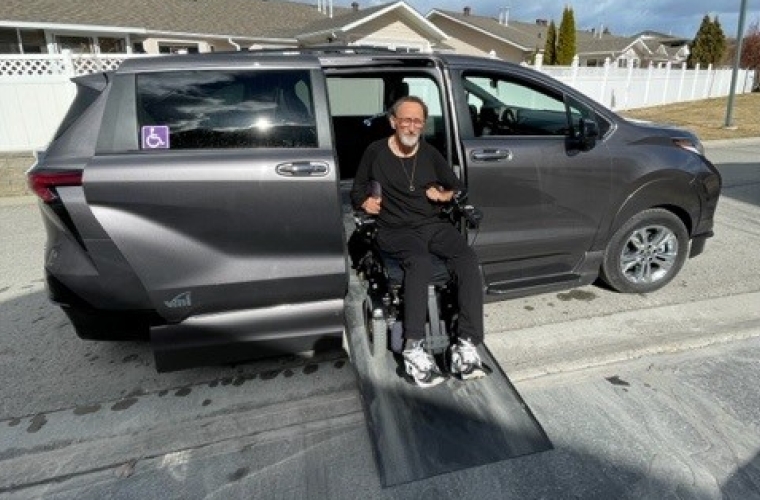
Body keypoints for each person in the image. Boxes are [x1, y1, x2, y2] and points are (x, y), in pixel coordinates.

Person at [350, 95, 487, 387]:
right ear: (393, 122)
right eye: (406, 120)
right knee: (420, 262)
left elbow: (457, 187)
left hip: (432, 224)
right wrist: (365, 202)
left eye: (418, 122)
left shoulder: (429, 153)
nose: (411, 127)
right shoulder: (375, 152)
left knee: (467, 258)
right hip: (395, 228)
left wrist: (444, 195)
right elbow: (357, 188)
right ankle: (413, 347)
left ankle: (465, 343)